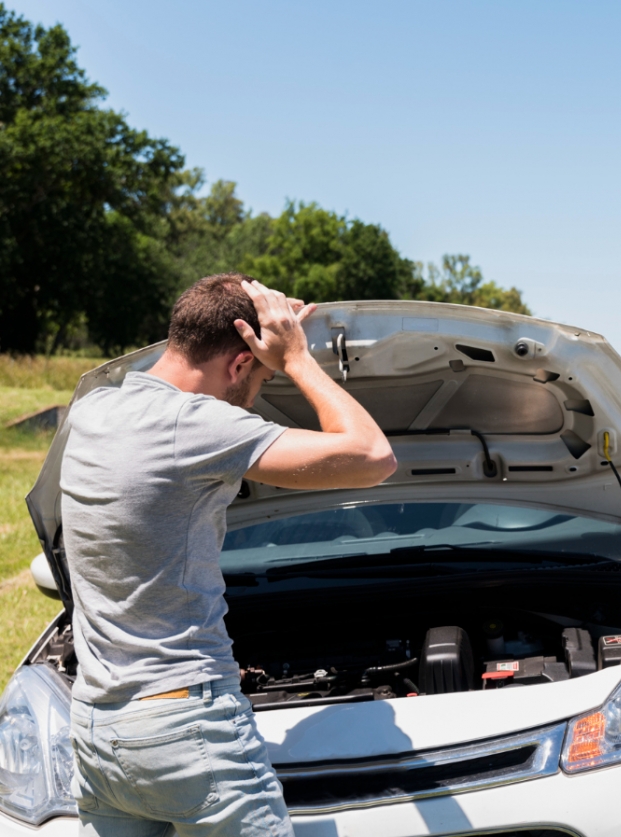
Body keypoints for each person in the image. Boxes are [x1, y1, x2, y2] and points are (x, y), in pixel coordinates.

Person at [60, 274, 397, 836]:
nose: (258, 391)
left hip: (97, 732)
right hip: (185, 726)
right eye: (260, 377)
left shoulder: (92, 411)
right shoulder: (195, 424)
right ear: (240, 363)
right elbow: (372, 456)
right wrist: (296, 359)